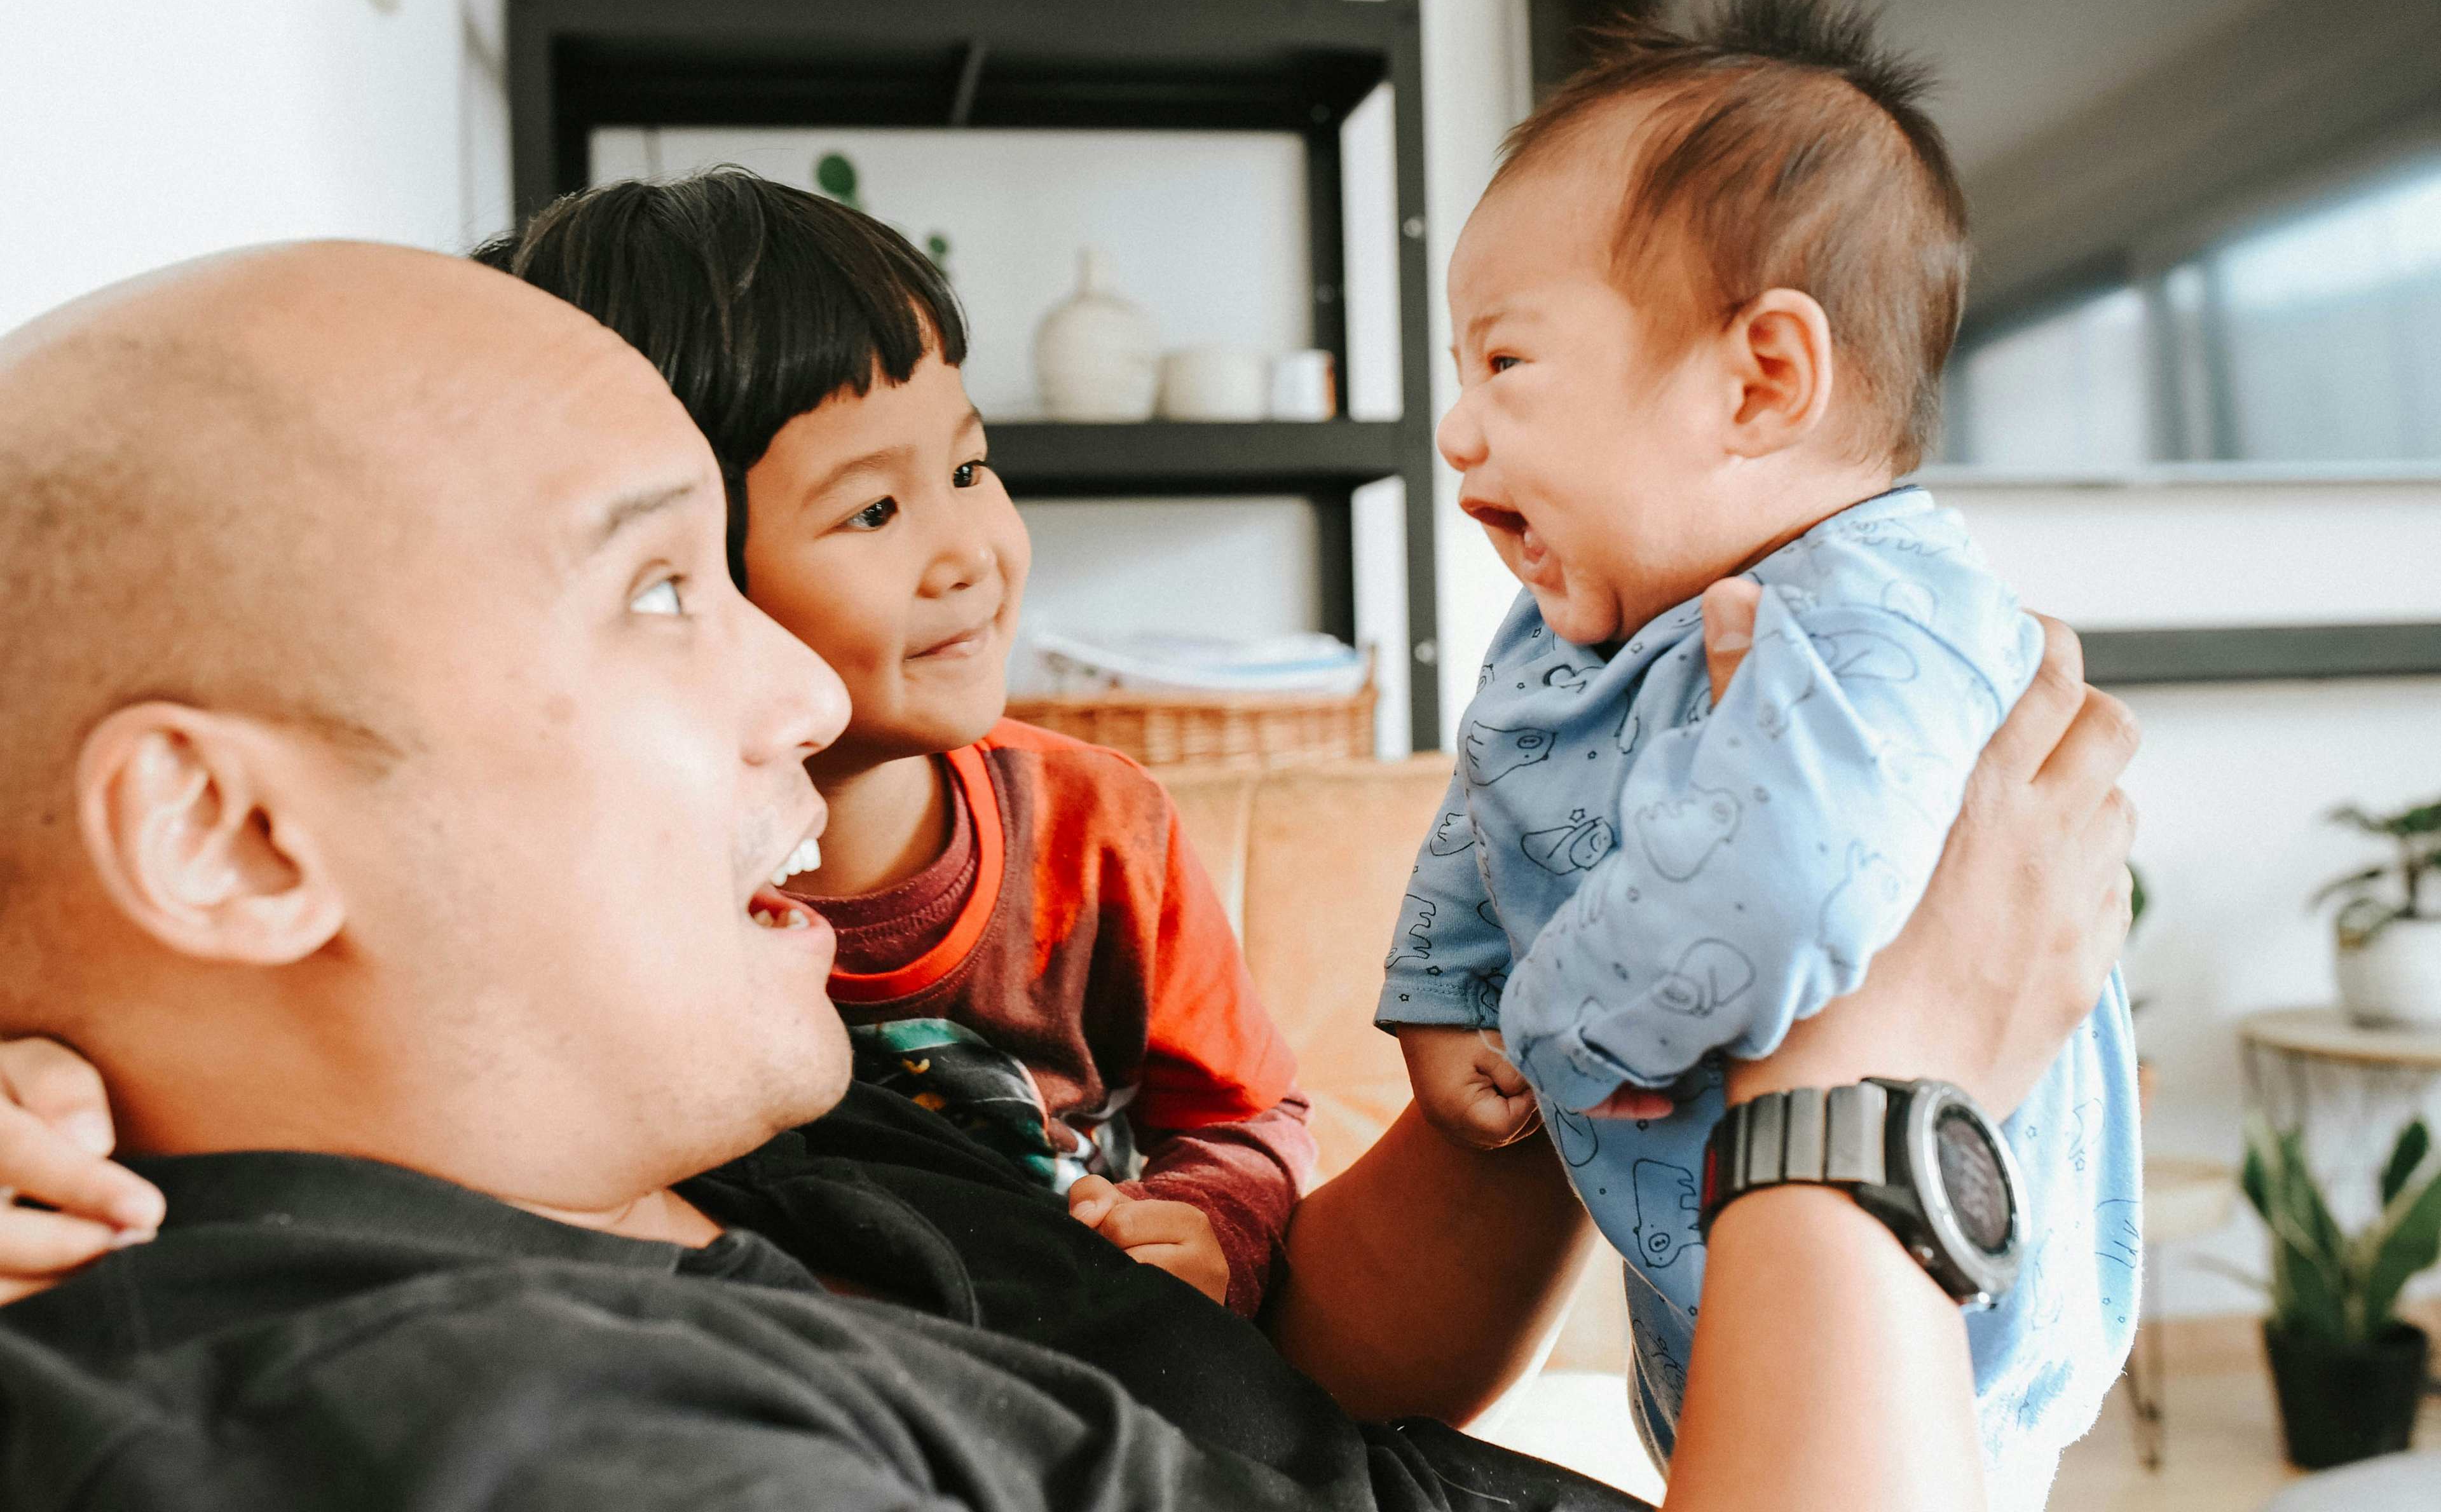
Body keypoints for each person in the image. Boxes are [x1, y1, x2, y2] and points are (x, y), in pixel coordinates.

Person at [0, 242, 2137, 1510]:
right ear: (229, 838)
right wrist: (1878, 1100)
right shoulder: (508, 1439)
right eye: (660, 591)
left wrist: (1598, 995)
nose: (800, 694)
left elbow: (1281, 1381)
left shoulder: (734, 1122)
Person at [1382, 0, 2138, 1508]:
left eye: (1505, 362)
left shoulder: (1879, 628)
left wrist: (1552, 1033)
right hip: (1727, 1308)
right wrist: (1440, 997)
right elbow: (1497, 788)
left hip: (1930, 1316)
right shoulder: (1581, 623)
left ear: (1762, 380)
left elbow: (1787, 881)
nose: (1457, 428)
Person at [468, 173, 1313, 1316]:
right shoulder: (615, 893)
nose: (968, 553)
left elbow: (1249, 1116)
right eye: (873, 511)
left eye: (968, 470)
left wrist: (1215, 1225)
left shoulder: (1097, 828)